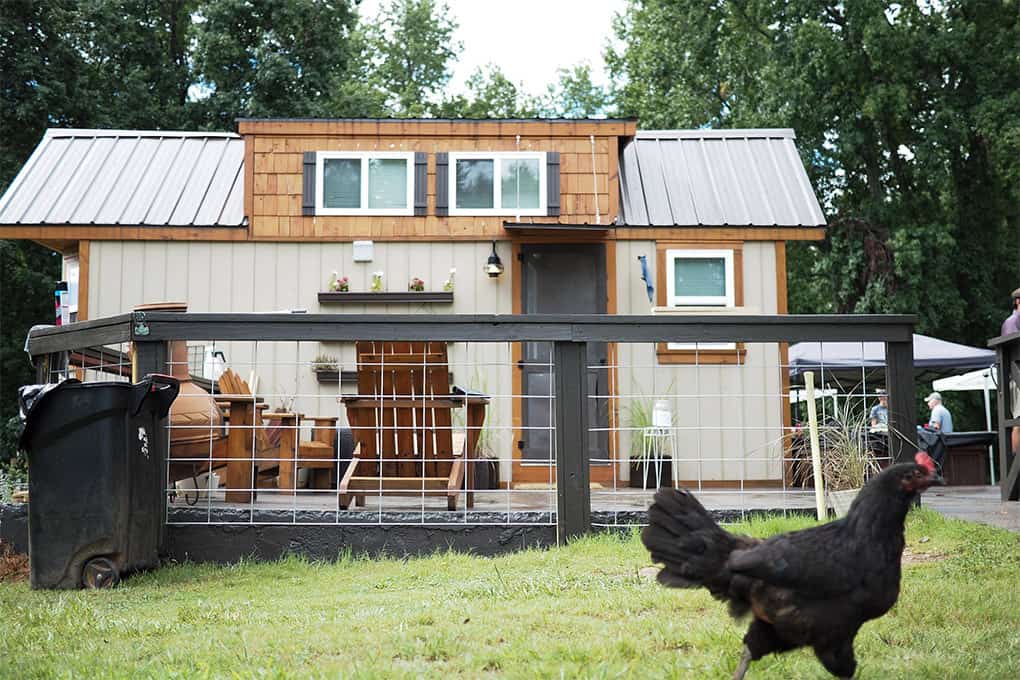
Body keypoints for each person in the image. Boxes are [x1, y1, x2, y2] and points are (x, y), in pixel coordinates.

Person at [1002, 287, 1020, 454]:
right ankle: (1017, 462)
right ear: (1018, 301)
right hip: (1017, 377)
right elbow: (1014, 351)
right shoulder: (1012, 322)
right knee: (1019, 421)